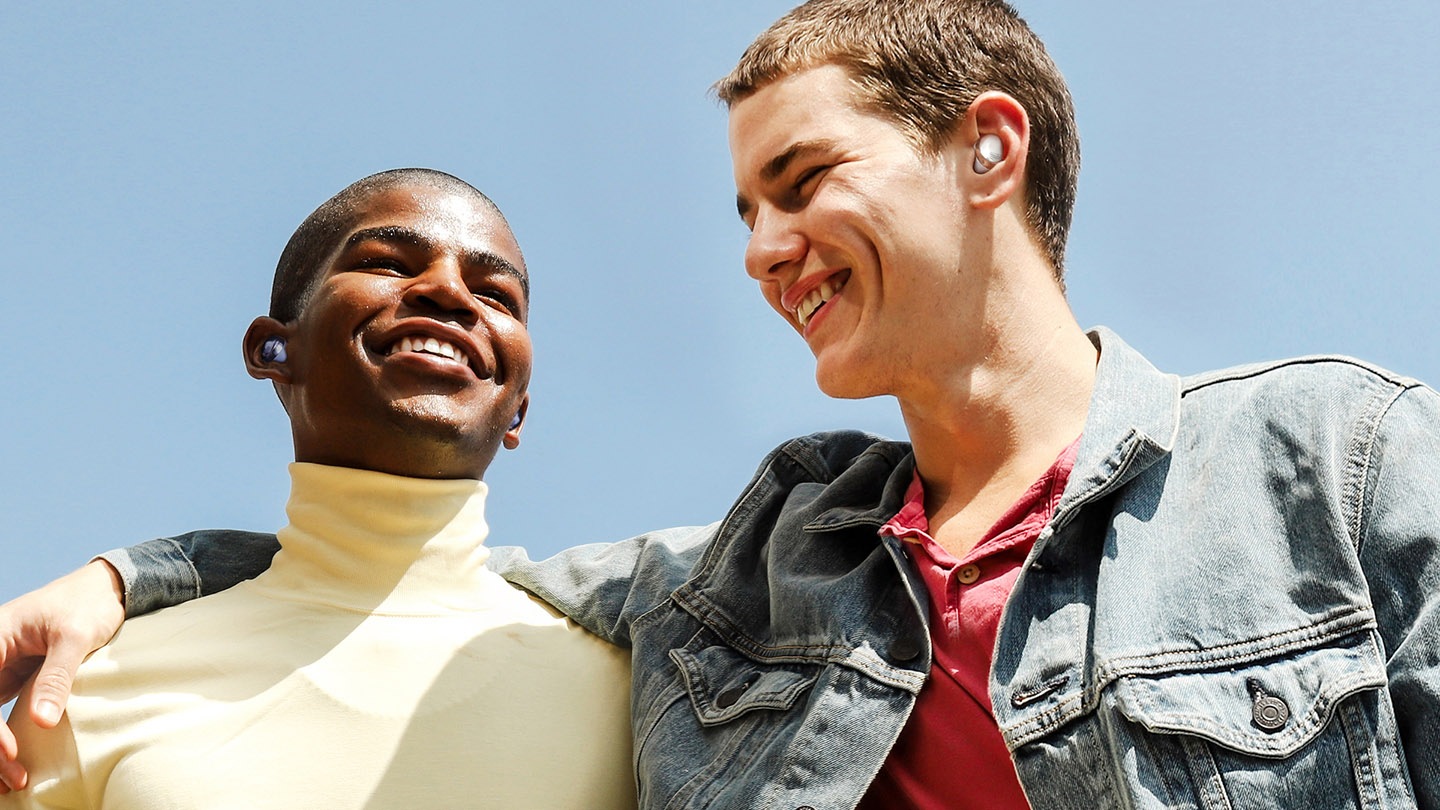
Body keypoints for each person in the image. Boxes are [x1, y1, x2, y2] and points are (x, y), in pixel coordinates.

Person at [5, 1, 1439, 808]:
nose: (760, 245)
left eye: (804, 181)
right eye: (744, 207)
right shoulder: (750, 579)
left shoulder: (1339, 465)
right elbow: (406, 574)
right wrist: (133, 577)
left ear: (985, 148)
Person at [0, 169, 635, 808]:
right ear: (273, 349)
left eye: (496, 295)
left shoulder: (650, 694)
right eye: (386, 262)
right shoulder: (85, 692)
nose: (447, 290)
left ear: (518, 408)